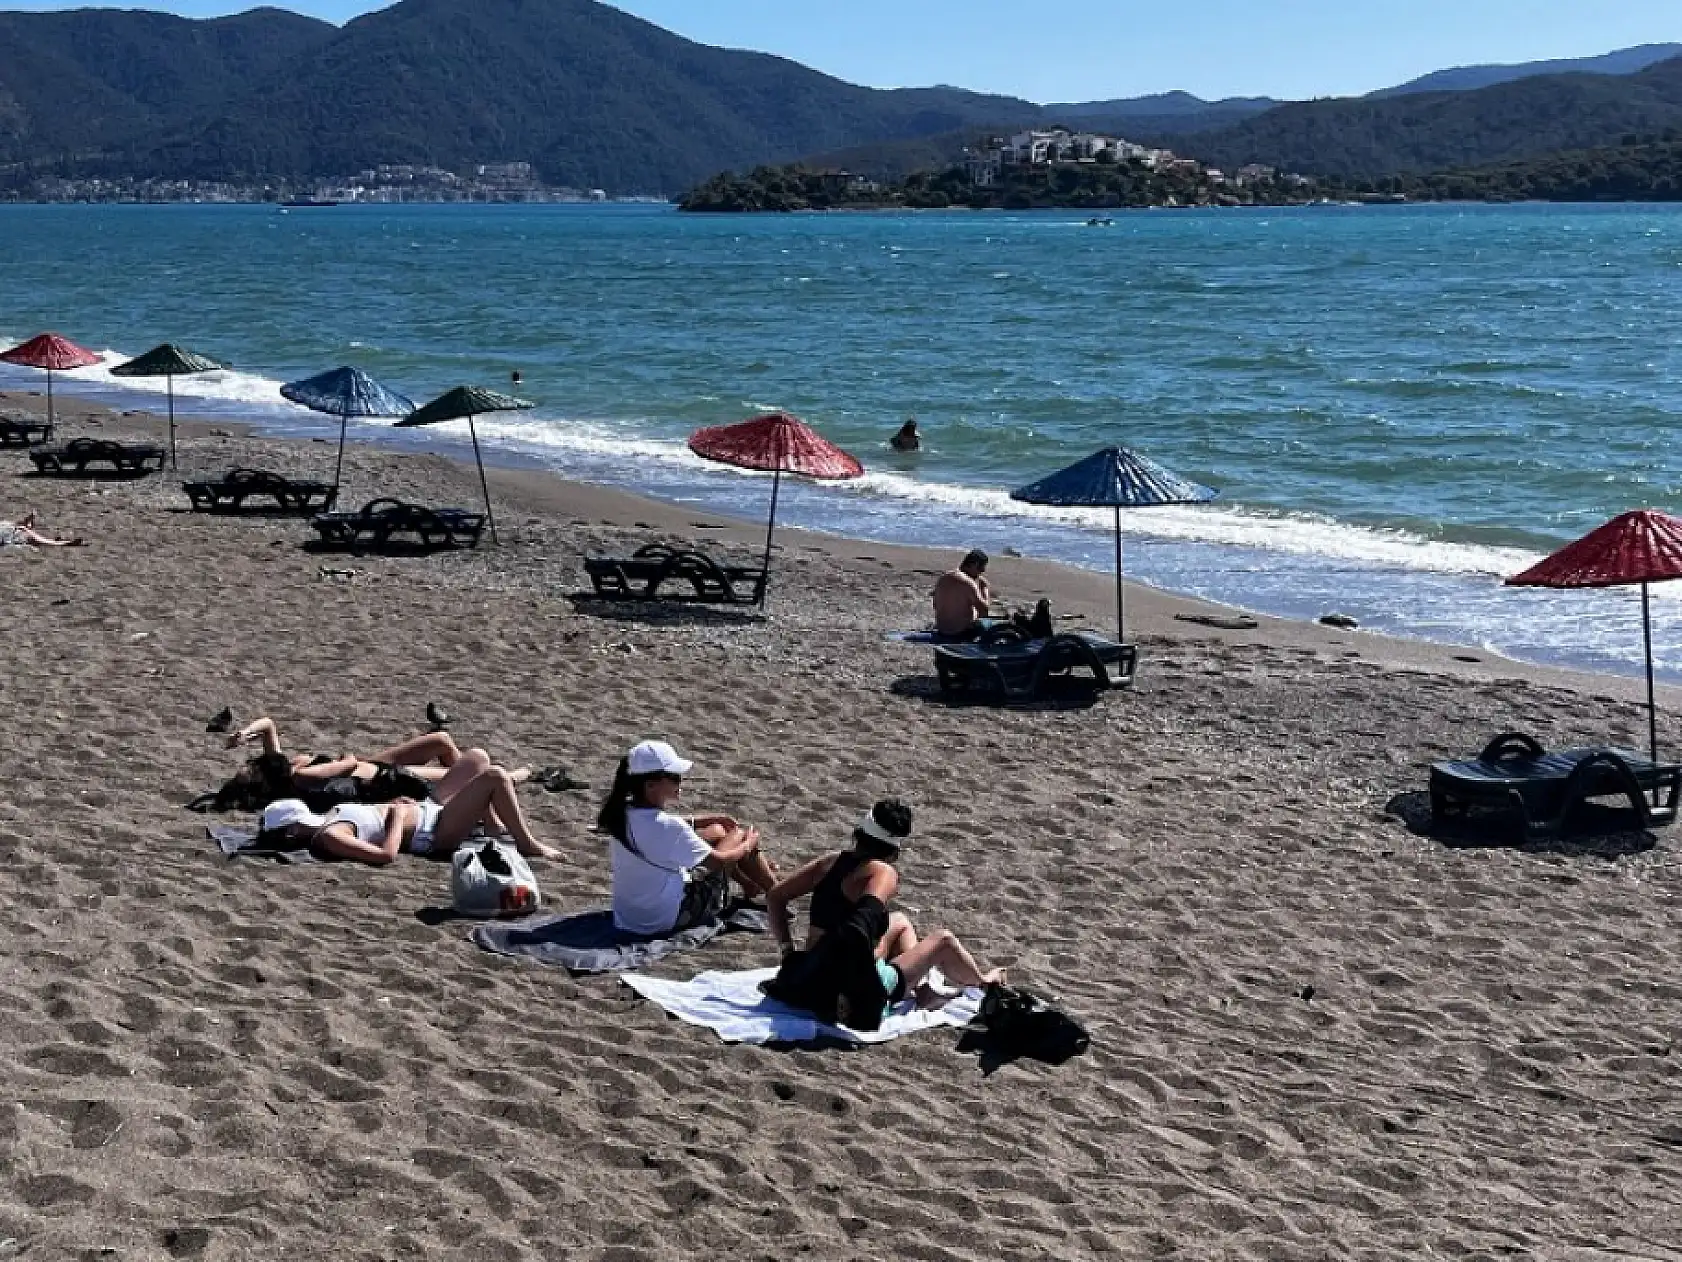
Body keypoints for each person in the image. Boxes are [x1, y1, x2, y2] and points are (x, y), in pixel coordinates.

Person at [766, 799, 1005, 1018]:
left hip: (808, 971)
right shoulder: (881, 872)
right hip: (842, 989)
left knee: (900, 921)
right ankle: (983, 982)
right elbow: (860, 924)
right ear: (893, 849)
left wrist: (787, 951)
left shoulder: (830, 862)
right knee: (943, 940)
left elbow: (775, 897)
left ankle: (922, 989)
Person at [596, 740, 778, 936]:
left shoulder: (619, 814)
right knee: (738, 835)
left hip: (631, 917)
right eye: (674, 778)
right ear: (650, 785)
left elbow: (658, 826)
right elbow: (719, 861)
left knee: (716, 830)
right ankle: (776, 893)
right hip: (668, 917)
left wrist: (704, 820)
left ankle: (751, 884)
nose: (680, 781)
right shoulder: (670, 827)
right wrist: (749, 843)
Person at [257, 754, 560, 866]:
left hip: (425, 810)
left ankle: (493, 824)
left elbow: (373, 818)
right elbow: (385, 856)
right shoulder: (331, 835)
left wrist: (395, 807)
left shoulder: (328, 818)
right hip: (431, 833)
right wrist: (398, 817)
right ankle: (527, 843)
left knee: (477, 759)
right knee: (494, 776)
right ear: (292, 829)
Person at [210, 716, 524, 813]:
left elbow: (268, 725)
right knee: (466, 770)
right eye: (251, 766)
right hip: (378, 778)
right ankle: (501, 783)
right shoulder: (301, 776)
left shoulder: (279, 770)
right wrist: (345, 757)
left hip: (373, 765)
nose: (253, 761)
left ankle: (468, 790)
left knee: (441, 741)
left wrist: (244, 734)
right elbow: (345, 767)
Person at [931, 549, 993, 639]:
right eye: (981, 568)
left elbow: (935, 605)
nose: (981, 572)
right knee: (993, 626)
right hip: (960, 632)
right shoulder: (968, 583)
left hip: (942, 628)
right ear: (974, 564)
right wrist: (984, 588)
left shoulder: (944, 578)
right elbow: (984, 611)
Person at [0, 513, 84, 548]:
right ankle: (63, 543)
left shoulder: (5, 524)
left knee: (39, 538)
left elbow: (18, 524)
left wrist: (25, 523)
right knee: (40, 540)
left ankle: (61, 542)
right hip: (15, 534)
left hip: (16, 530)